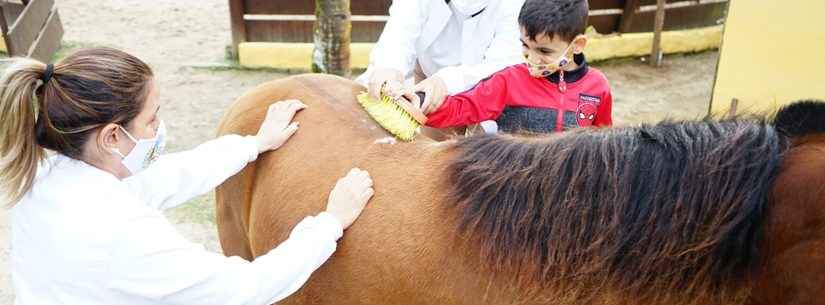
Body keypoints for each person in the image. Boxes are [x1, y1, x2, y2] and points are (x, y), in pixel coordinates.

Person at [0, 47, 374, 305]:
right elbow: (245, 289)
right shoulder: (122, 232)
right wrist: (330, 222)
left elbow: (168, 177)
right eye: (152, 118)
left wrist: (252, 145)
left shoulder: (44, 175)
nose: (159, 128)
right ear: (112, 136)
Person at [415, 0, 613, 134]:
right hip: (511, 188)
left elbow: (603, 141)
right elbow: (464, 107)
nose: (533, 59)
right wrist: (419, 104)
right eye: (525, 46)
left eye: (544, 51)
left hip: (566, 193)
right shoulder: (510, 79)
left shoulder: (598, 87)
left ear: (577, 45)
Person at [357, 0, 525, 113]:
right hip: (427, 76)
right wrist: (389, 67)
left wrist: (446, 81)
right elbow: (401, 30)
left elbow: (503, 63)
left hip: (488, 87)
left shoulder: (515, 6)